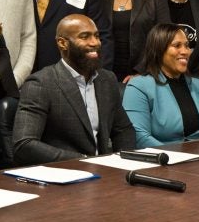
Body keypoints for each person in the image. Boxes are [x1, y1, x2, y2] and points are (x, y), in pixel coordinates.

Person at [13, 14, 135, 166]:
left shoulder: (107, 79)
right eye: (85, 37)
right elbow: (24, 144)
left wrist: (122, 165)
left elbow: (123, 130)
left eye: (97, 36)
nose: (94, 43)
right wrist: (84, 161)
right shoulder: (40, 83)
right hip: (63, 174)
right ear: (62, 43)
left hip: (105, 173)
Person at [122, 23, 199, 148]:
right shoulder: (139, 86)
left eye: (187, 46)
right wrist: (175, 157)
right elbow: (139, 137)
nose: (185, 51)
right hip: (161, 161)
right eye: (177, 46)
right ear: (159, 50)